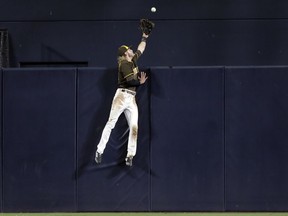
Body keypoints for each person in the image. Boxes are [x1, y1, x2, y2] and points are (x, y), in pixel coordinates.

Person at [95, 32, 149, 166]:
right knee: (111, 123)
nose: (131, 50)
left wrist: (144, 37)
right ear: (125, 54)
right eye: (129, 49)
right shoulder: (124, 64)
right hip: (122, 96)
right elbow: (131, 81)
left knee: (134, 126)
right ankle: (99, 150)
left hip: (131, 98)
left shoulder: (133, 60)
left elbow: (141, 48)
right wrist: (140, 83)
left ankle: (130, 156)